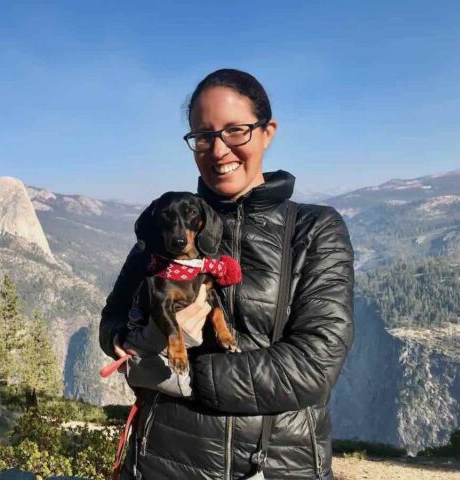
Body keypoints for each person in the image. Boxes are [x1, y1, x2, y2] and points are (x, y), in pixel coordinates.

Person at [99, 68, 354, 480]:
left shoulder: (315, 230)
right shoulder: (164, 231)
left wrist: (177, 375)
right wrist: (132, 341)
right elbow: (111, 322)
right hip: (161, 462)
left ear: (267, 132)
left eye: (236, 131)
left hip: (276, 466)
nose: (218, 150)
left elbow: (316, 364)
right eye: (203, 136)